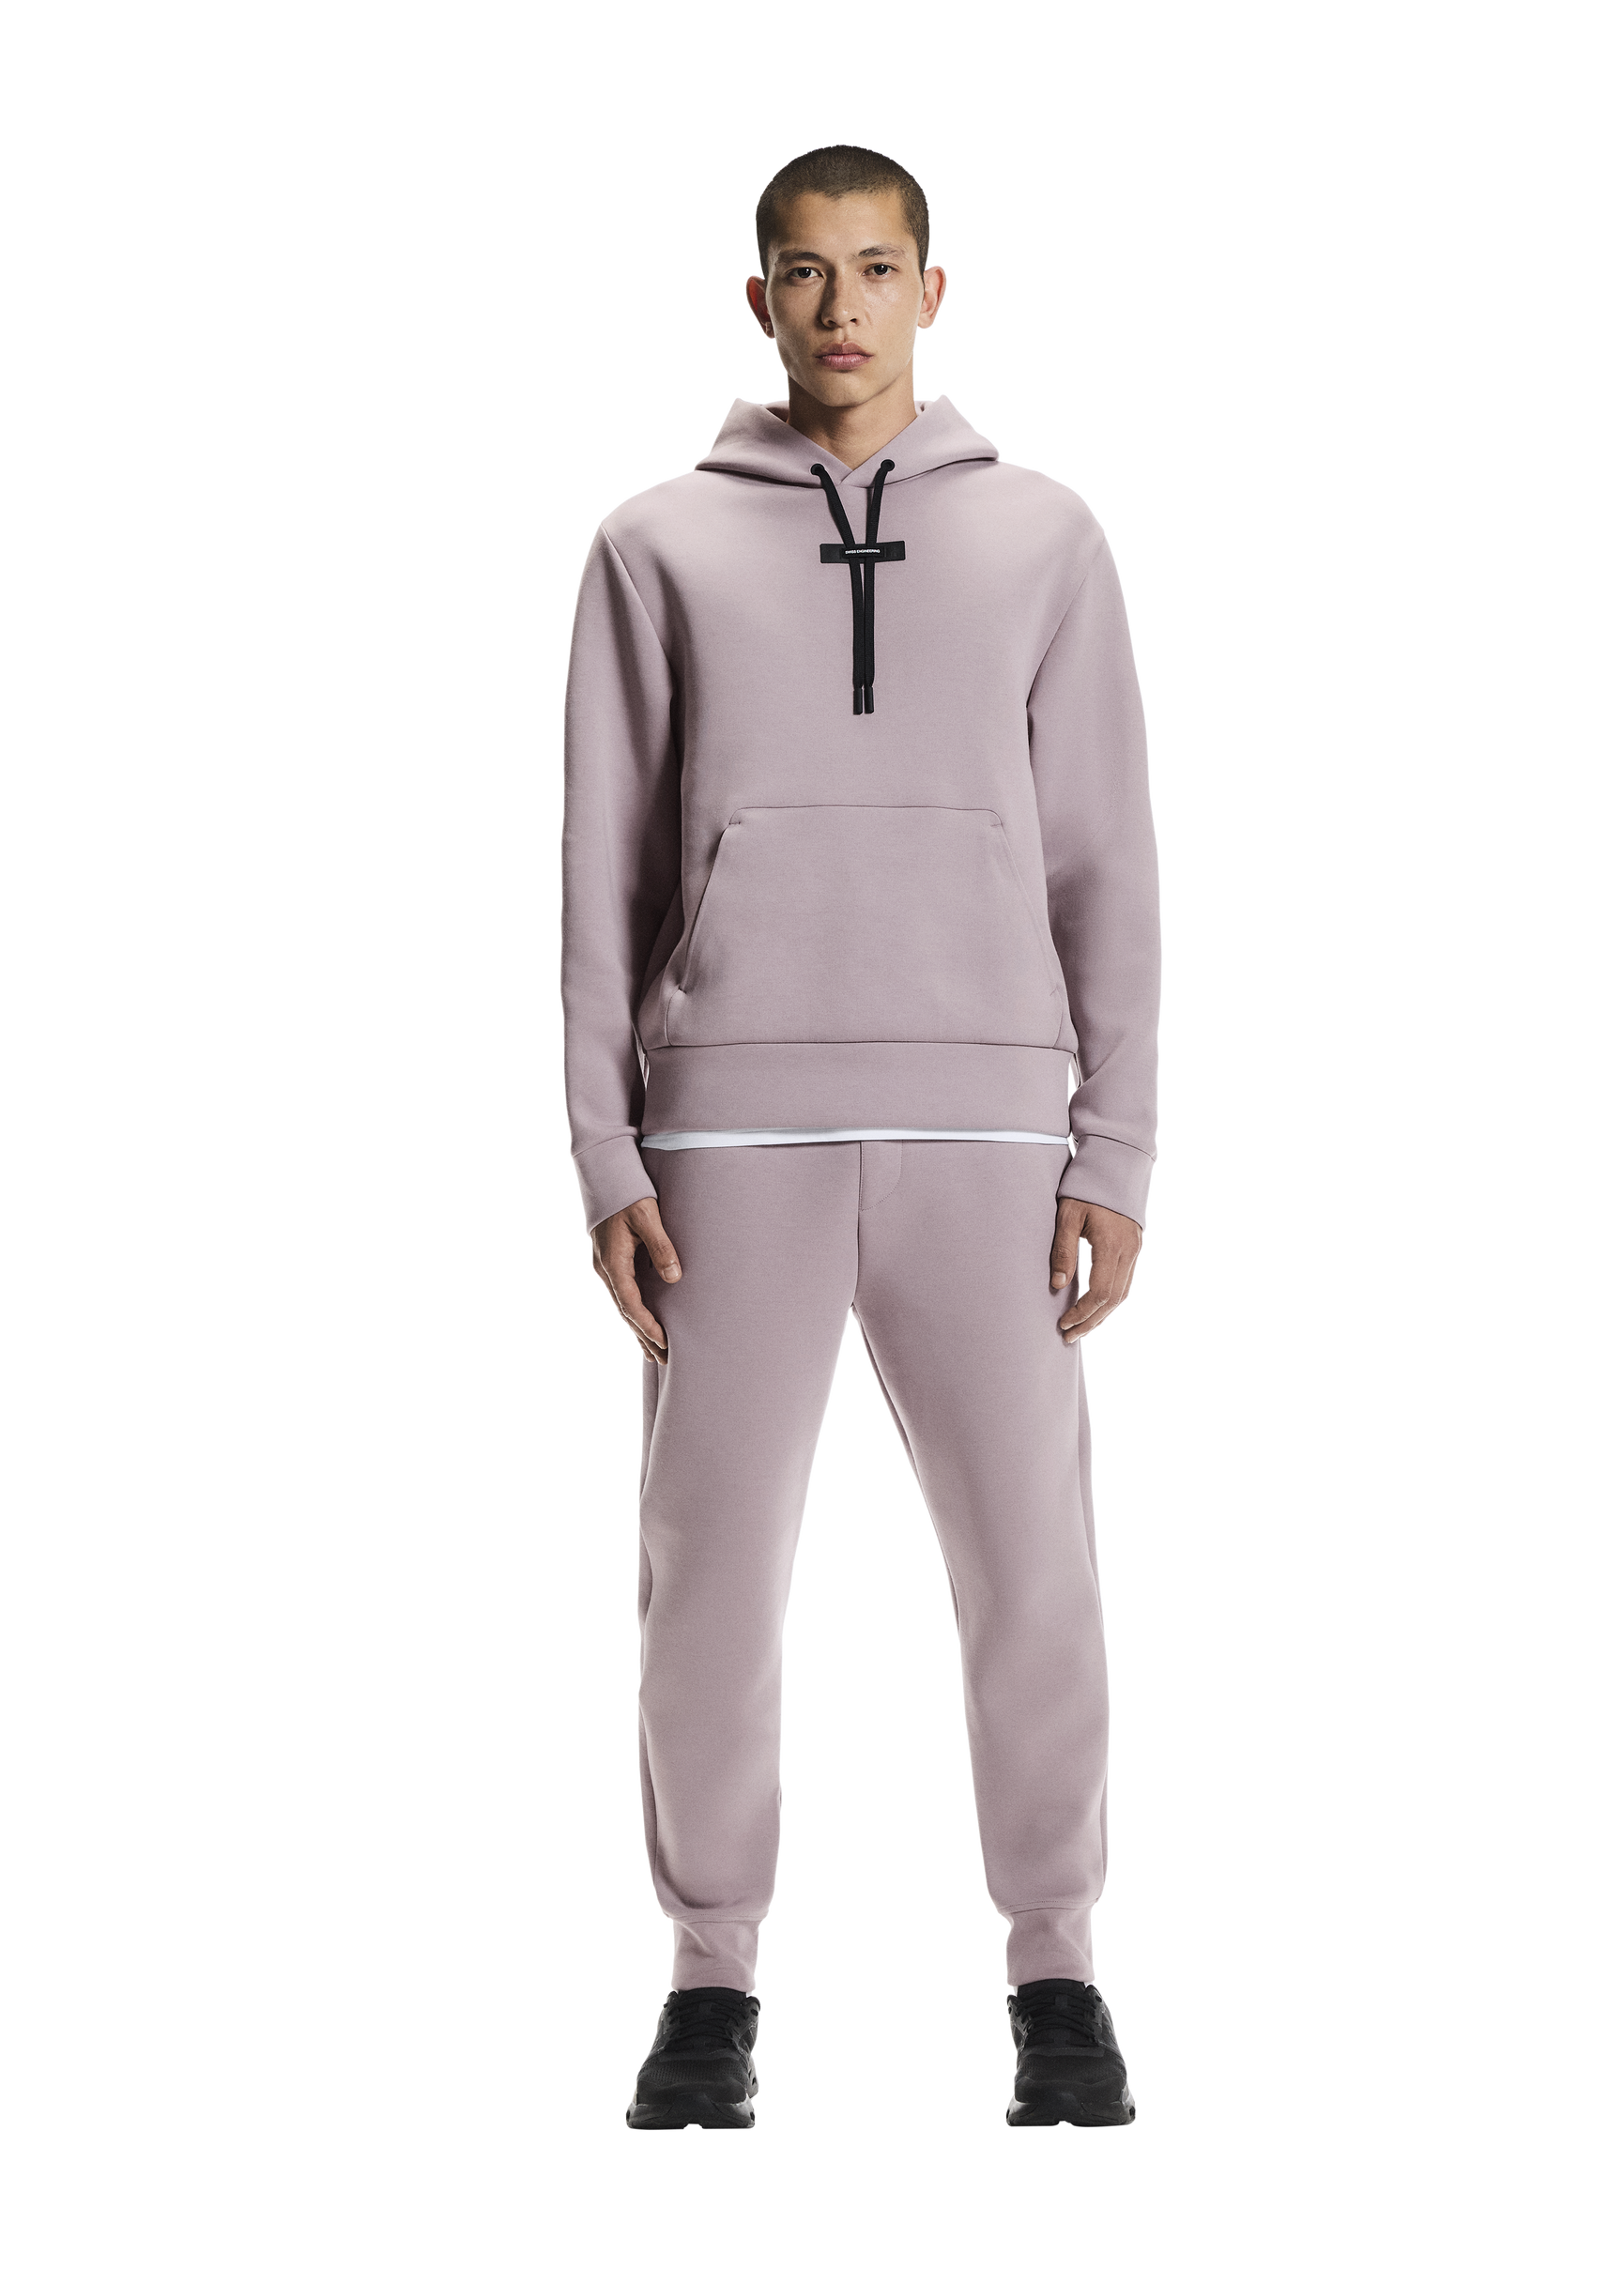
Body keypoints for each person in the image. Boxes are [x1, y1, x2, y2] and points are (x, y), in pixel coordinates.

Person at [560, 142, 1161, 2132]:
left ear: (932, 291)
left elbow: (1107, 858)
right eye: (805, 273)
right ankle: (708, 1981)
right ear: (759, 301)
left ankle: (1056, 1969)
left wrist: (1115, 1149)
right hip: (728, 1139)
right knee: (708, 1576)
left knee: (1033, 1567)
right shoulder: (651, 541)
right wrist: (604, 1152)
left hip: (991, 1124)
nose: (841, 307)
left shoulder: (1047, 534)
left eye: (876, 269)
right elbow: (597, 867)